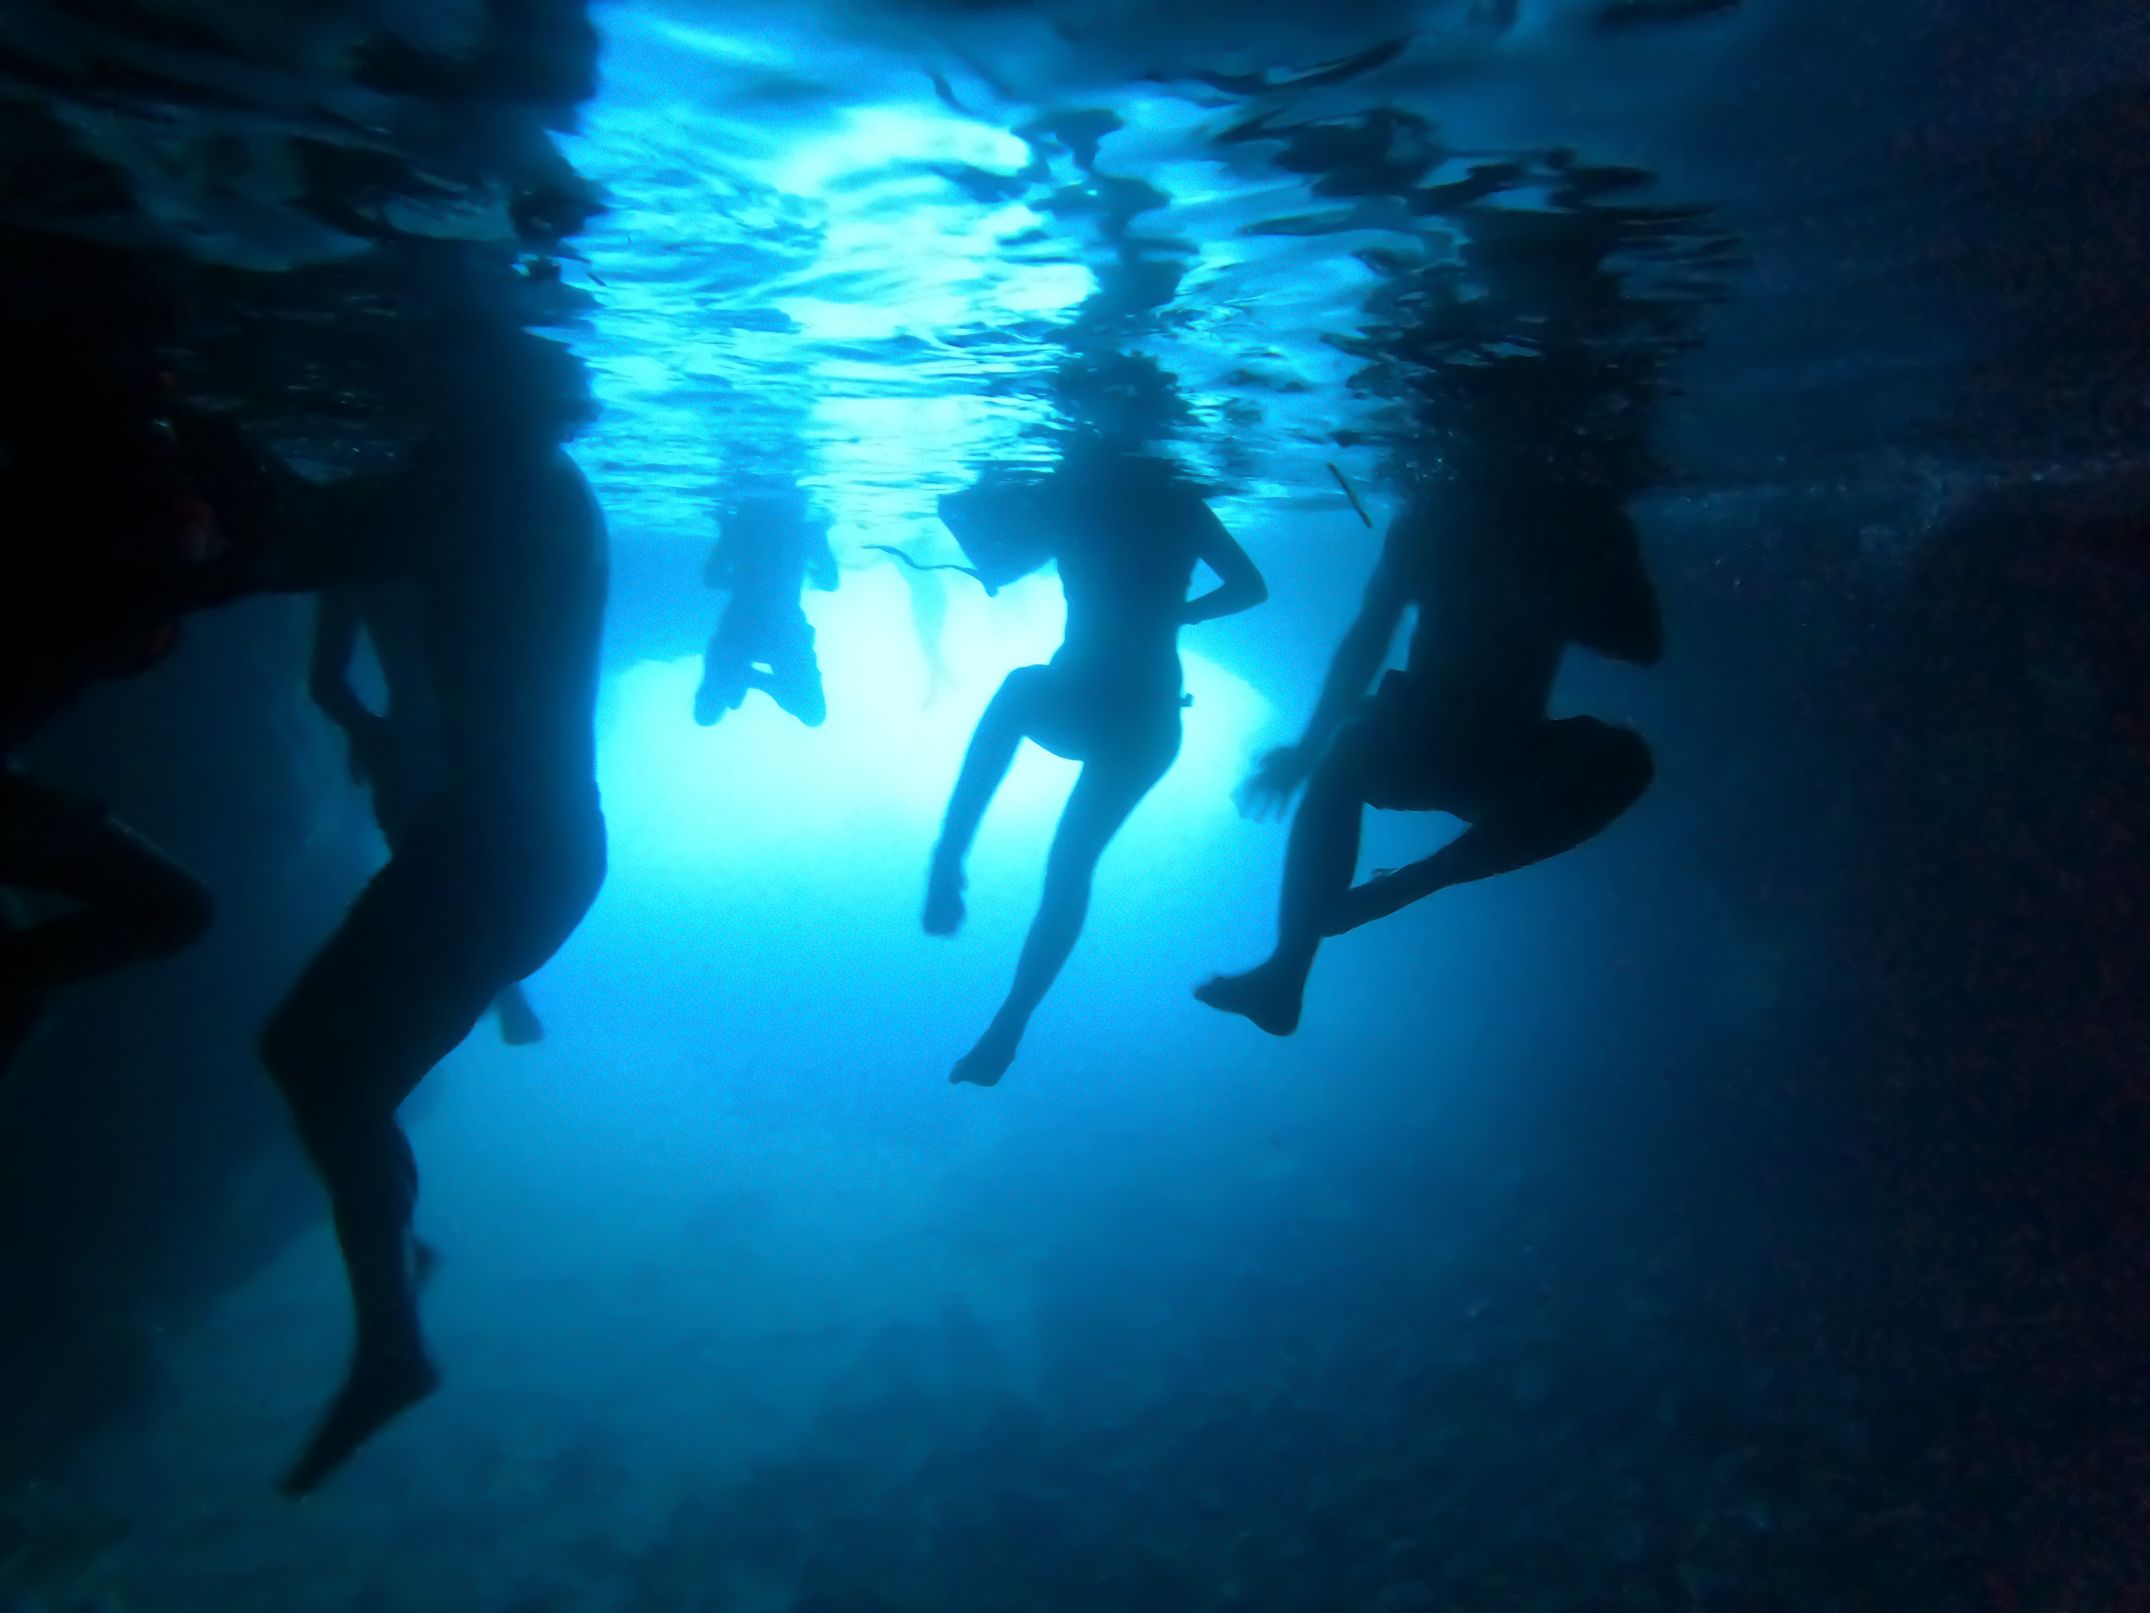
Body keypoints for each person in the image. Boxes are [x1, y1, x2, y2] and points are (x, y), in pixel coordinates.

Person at [262, 424, 607, 1496]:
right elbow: (333, 645)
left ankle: (392, 1339)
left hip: (500, 847)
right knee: (317, 1064)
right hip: (493, 838)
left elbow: (290, 566)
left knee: (327, 1072)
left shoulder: (471, 501)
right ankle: (392, 1279)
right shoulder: (522, 492)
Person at [1197, 453, 1660, 1036]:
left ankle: (1419, 879)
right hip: (1426, 735)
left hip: (1508, 749)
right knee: (1348, 748)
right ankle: (1286, 972)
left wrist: (1558, 584)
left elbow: (1644, 641)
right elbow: (1367, 637)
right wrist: (1309, 746)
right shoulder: (1438, 516)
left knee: (1627, 761)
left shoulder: (1575, 516)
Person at [926, 429, 1268, 1087]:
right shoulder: (1167, 499)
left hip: (1107, 707)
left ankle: (954, 872)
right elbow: (1249, 586)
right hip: (1139, 715)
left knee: (1026, 705)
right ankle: (1006, 1019)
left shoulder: (1075, 497)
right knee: (1070, 862)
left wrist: (970, 506)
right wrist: (1175, 614)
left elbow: (997, 563)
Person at [1, 336, 279, 1084]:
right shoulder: (114, 526)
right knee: (168, 911)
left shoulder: (95, 508)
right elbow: (229, 568)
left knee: (39, 973)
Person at [311, 585, 544, 1045]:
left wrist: (366, 732)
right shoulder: (462, 548)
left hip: (416, 750)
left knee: (437, 881)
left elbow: (325, 681)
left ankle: (485, 999)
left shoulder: (357, 559)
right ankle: (496, 997)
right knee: (466, 880)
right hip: (465, 747)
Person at [694, 480, 837, 728]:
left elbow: (712, 577)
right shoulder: (803, 533)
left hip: (750, 624)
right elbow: (830, 581)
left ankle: (739, 681)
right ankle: (741, 680)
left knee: (812, 712)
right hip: (780, 625)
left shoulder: (740, 530)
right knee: (813, 713)